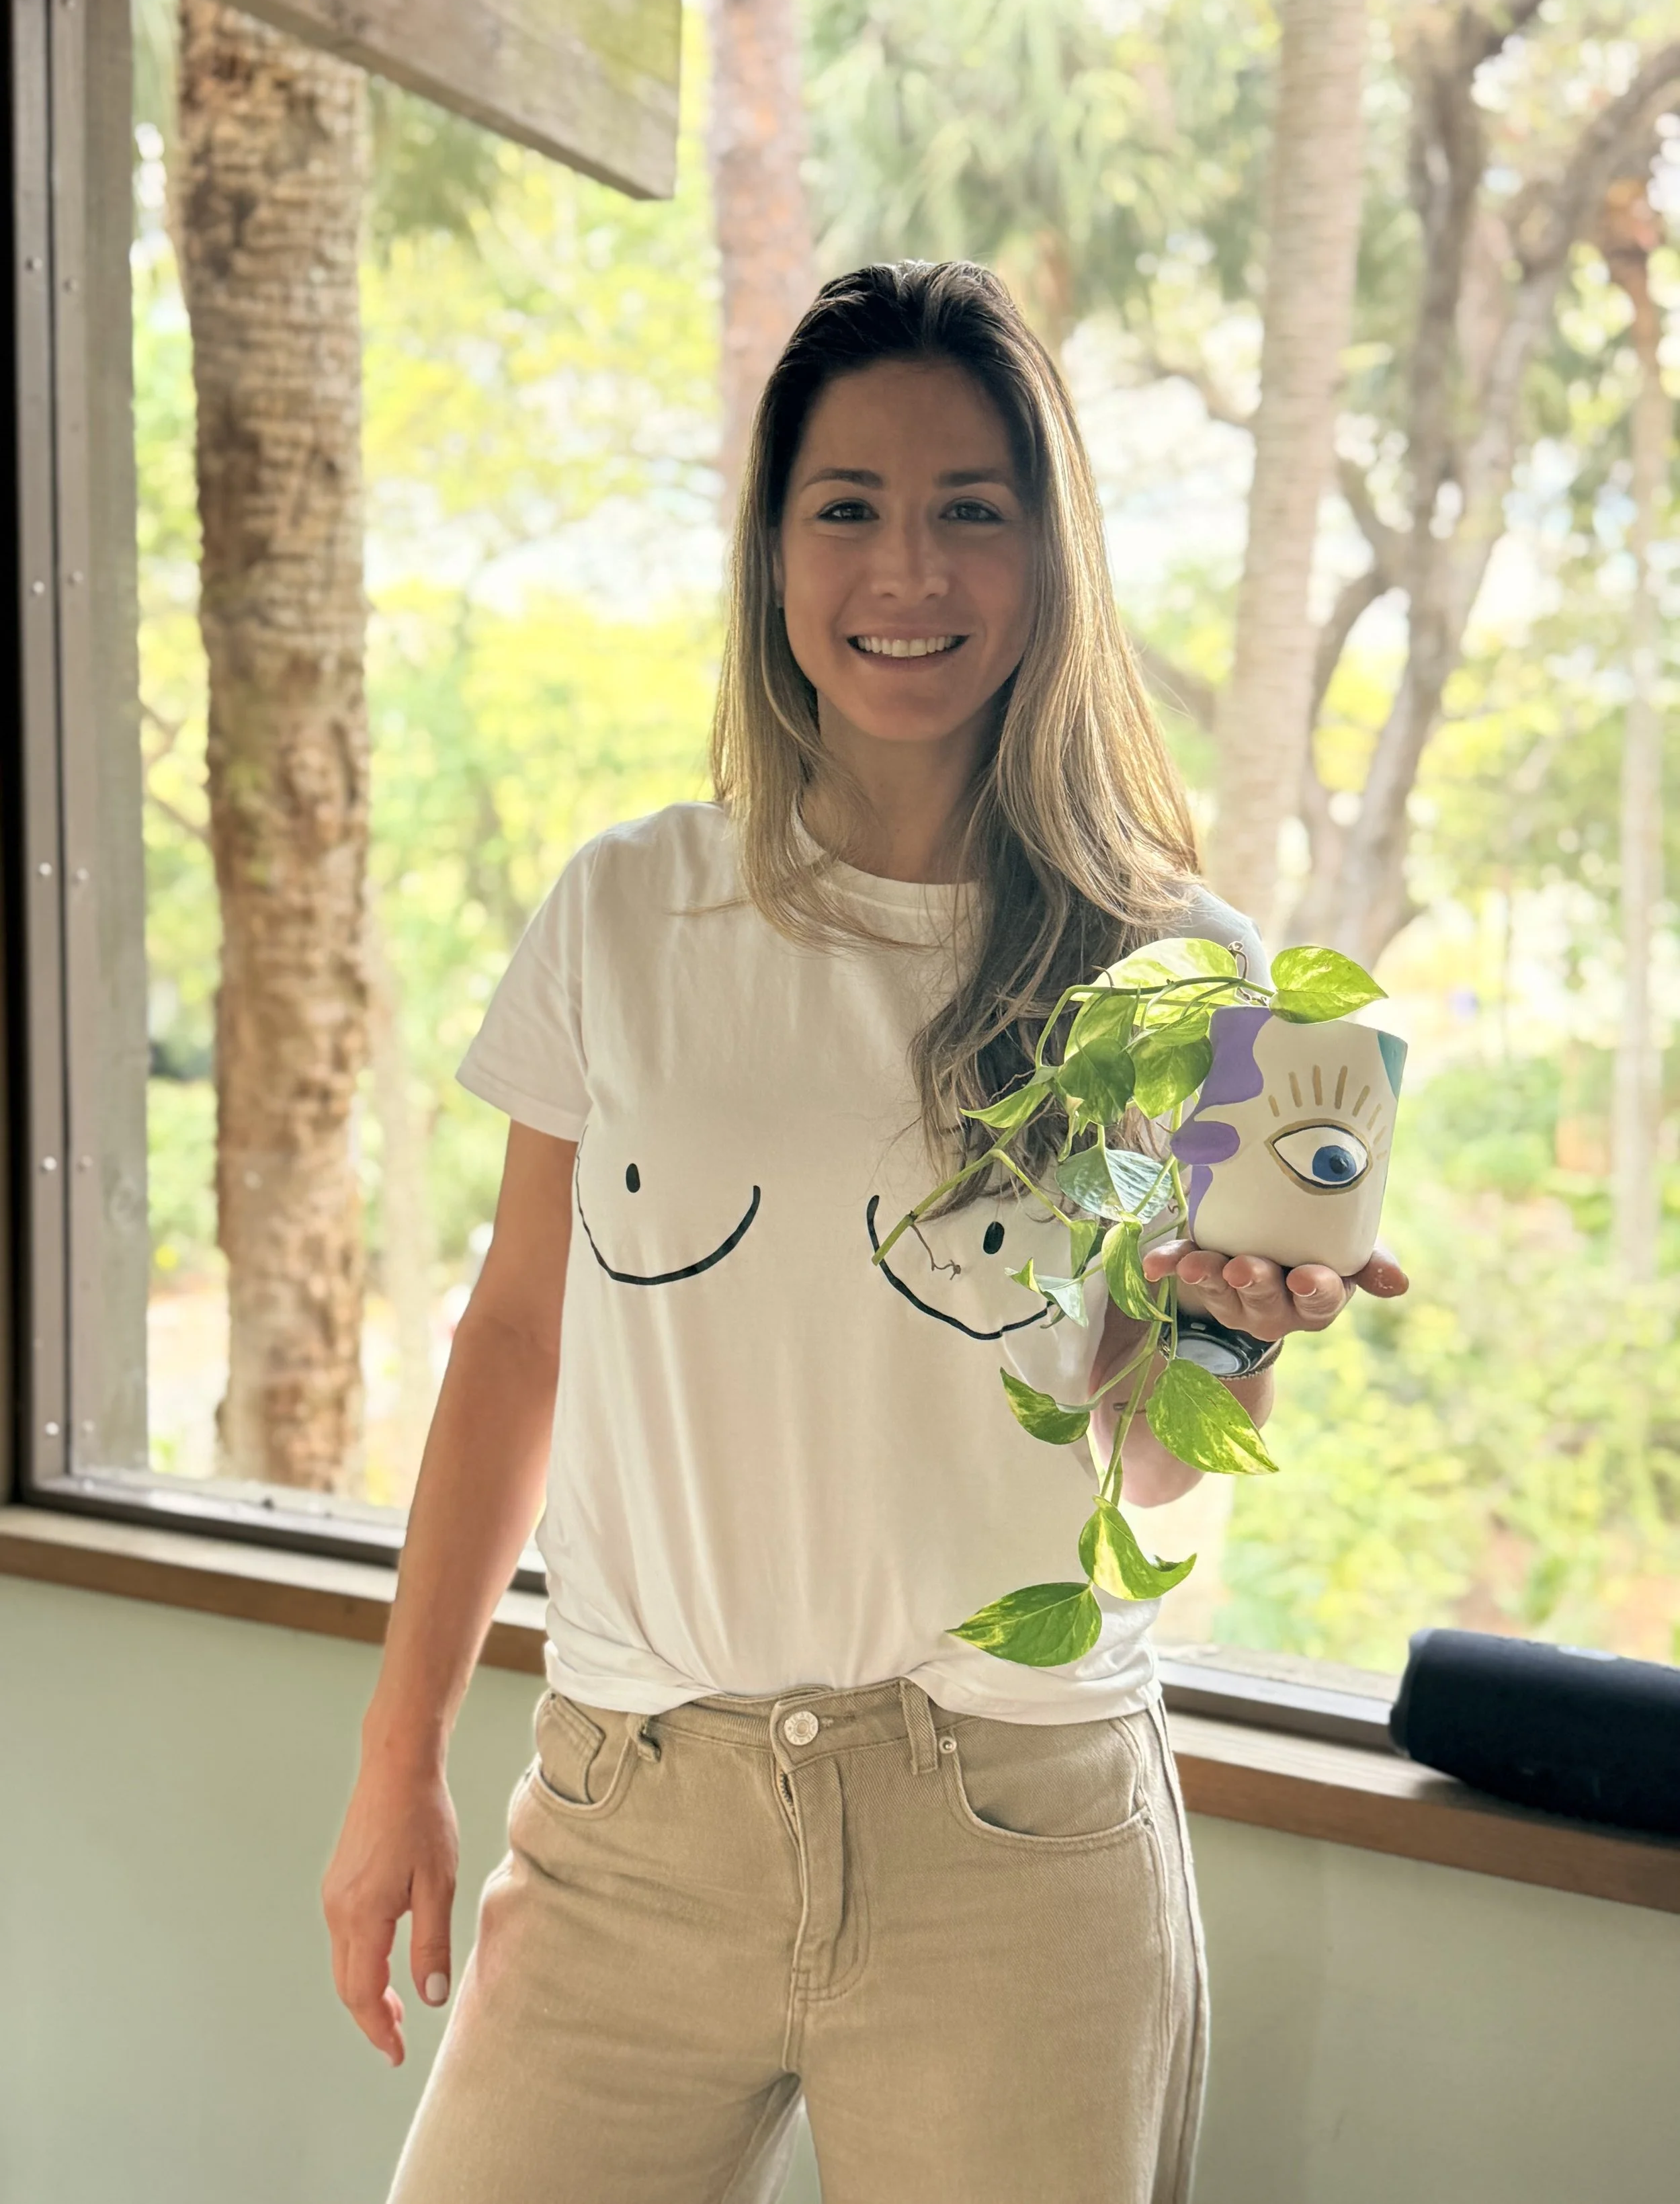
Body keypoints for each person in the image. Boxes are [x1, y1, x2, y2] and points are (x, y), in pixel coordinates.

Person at [323, 259, 1407, 2204]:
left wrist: (1233, 1331)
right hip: (628, 1819)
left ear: (1047, 557)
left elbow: (1157, 1455)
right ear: (773, 553)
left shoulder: (1180, 968)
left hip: (1014, 1835)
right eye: (849, 506)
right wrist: (397, 1758)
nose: (907, 568)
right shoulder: (626, 913)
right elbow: (517, 1340)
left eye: (968, 508)